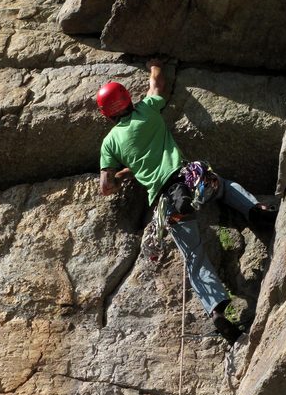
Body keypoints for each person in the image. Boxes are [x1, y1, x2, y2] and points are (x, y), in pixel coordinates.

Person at [98, 60, 275, 344]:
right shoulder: (147, 109)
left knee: (195, 257)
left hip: (167, 202)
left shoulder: (110, 143)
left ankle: (217, 310)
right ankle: (255, 211)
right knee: (225, 187)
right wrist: (155, 64)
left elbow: (106, 187)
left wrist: (127, 172)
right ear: (128, 99)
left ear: (106, 114)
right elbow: (158, 84)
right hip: (189, 180)